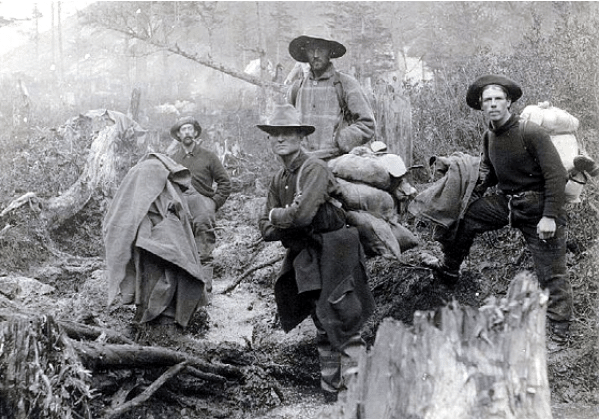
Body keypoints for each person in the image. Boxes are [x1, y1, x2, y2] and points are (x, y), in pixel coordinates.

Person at [428, 75, 573, 345]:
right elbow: (494, 174)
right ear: (481, 107)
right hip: (508, 204)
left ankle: (559, 331)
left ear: (509, 103)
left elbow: (556, 177)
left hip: (538, 207)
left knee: (550, 271)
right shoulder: (489, 136)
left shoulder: (530, 132)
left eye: (498, 99)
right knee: (467, 217)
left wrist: (549, 217)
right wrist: (469, 194)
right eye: (487, 101)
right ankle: (450, 269)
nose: (493, 104)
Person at [257, 104, 375, 401]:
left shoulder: (314, 168)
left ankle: (356, 398)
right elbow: (264, 229)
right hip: (308, 254)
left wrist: (278, 216)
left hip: (336, 250)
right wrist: (283, 218)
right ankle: (330, 393)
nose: (280, 139)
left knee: (345, 322)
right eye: (275, 134)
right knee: (322, 323)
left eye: (287, 133)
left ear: (300, 137)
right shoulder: (278, 178)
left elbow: (301, 216)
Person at [287, 34, 376, 161]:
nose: (316, 55)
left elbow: (367, 124)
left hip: (335, 162)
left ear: (329, 52)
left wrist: (341, 139)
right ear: (306, 53)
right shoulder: (296, 88)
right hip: (303, 163)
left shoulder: (345, 84)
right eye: (311, 50)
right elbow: (287, 127)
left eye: (321, 49)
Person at [169, 116, 231, 266]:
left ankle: (205, 285)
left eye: (190, 129)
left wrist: (214, 203)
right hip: (181, 204)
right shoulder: (172, 159)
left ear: (195, 133)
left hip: (203, 203)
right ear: (178, 135)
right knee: (180, 243)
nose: (187, 132)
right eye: (183, 129)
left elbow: (225, 182)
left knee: (203, 241)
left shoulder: (208, 156)